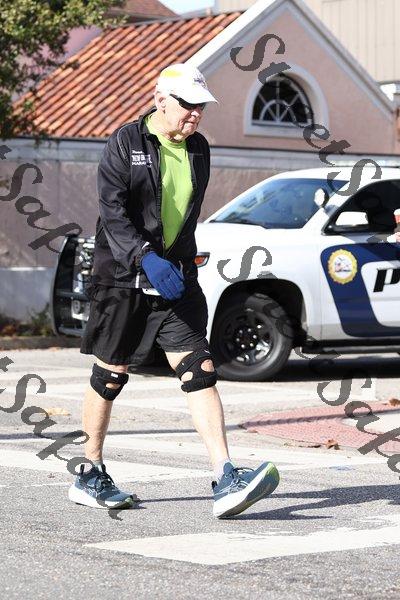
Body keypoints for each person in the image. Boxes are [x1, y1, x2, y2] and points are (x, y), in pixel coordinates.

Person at [68, 63, 279, 518]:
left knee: (199, 369)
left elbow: (183, 213)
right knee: (111, 374)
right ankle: (89, 471)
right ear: (160, 100)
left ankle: (226, 476)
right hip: (123, 278)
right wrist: (144, 257)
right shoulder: (125, 143)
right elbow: (113, 213)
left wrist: (181, 262)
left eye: (201, 106)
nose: (195, 114)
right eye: (187, 105)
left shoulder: (199, 148)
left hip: (176, 278)